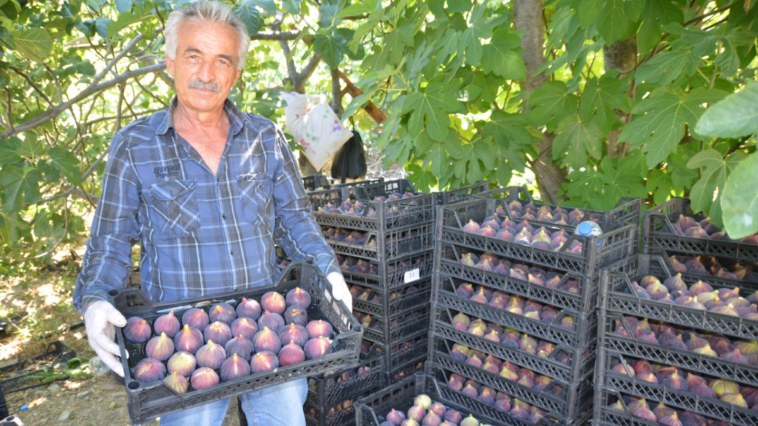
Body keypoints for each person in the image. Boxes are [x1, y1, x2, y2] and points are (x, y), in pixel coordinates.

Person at [72, 2, 352, 425]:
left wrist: (329, 272)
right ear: (170, 62)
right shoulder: (134, 146)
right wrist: (94, 300)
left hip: (270, 330)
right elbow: (110, 243)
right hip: (180, 344)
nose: (207, 73)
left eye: (222, 60)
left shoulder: (266, 137)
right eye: (193, 56)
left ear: (235, 73)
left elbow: (296, 220)